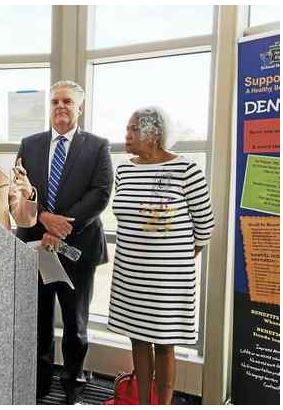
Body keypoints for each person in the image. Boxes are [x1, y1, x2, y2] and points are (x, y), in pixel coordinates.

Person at [107, 107, 215, 405]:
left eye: (132, 131)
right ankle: (143, 401)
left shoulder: (187, 170)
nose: (125, 136)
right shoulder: (125, 170)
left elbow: (205, 225)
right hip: (130, 273)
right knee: (138, 340)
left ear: (153, 135)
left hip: (169, 277)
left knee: (165, 344)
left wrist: (175, 259)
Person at [16, 80, 113, 404]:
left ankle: (73, 381)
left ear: (79, 107)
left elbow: (100, 193)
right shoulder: (29, 145)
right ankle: (40, 382)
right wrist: (43, 218)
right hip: (36, 246)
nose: (60, 107)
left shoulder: (98, 146)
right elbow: (19, 191)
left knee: (76, 325)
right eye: (56, 101)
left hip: (78, 250)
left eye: (67, 102)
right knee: (39, 322)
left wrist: (61, 227)